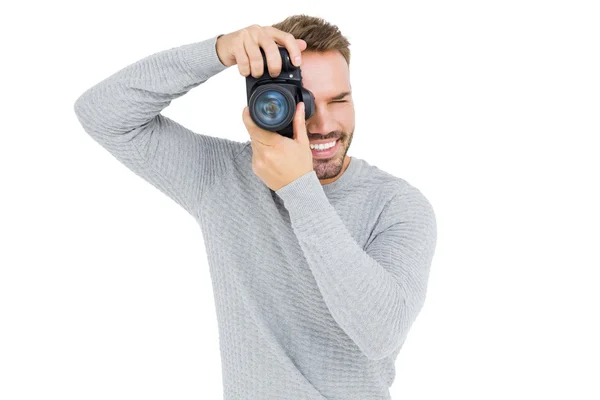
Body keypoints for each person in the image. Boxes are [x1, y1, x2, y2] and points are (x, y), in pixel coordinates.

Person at [73, 14, 437, 400]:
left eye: (339, 100)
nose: (322, 123)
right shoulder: (221, 177)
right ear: (264, 102)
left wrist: (299, 189)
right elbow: (102, 113)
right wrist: (217, 51)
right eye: (303, 102)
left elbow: (380, 332)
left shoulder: (398, 206)